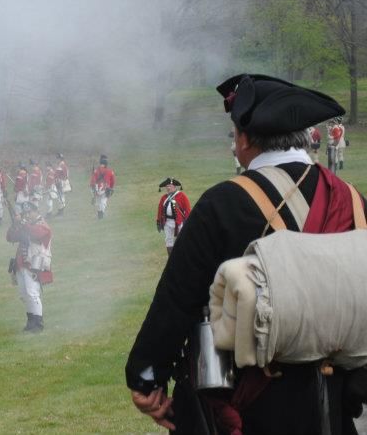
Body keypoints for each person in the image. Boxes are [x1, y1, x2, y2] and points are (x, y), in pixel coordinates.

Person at [127, 74, 367, 434]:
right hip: (332, 402)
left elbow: (177, 299)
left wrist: (146, 376)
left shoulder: (221, 203)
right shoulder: (351, 199)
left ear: (244, 138)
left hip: (244, 405)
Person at [6, 201, 53, 333]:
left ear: (36, 211)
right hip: (21, 264)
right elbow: (10, 237)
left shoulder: (42, 225)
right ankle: (31, 321)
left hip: (34, 264)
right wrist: (15, 224)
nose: (27, 215)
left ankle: (38, 323)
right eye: (25, 213)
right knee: (24, 294)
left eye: (29, 212)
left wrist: (22, 223)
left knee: (32, 293)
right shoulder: (26, 225)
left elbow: (36, 234)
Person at [155, 178, 191, 257]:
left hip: (179, 221)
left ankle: (181, 256)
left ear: (174, 187)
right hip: (167, 222)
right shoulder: (164, 198)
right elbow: (160, 210)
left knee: (181, 239)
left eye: (170, 186)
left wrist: (188, 222)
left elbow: (187, 209)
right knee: (168, 240)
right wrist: (158, 221)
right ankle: (171, 257)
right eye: (167, 186)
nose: (168, 188)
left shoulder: (182, 196)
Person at [89, 155, 115, 219]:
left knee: (98, 202)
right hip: (106, 188)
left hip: (97, 188)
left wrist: (93, 188)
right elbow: (113, 181)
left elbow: (92, 181)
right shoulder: (110, 171)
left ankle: (99, 214)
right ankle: (101, 213)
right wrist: (111, 187)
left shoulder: (96, 171)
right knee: (103, 201)